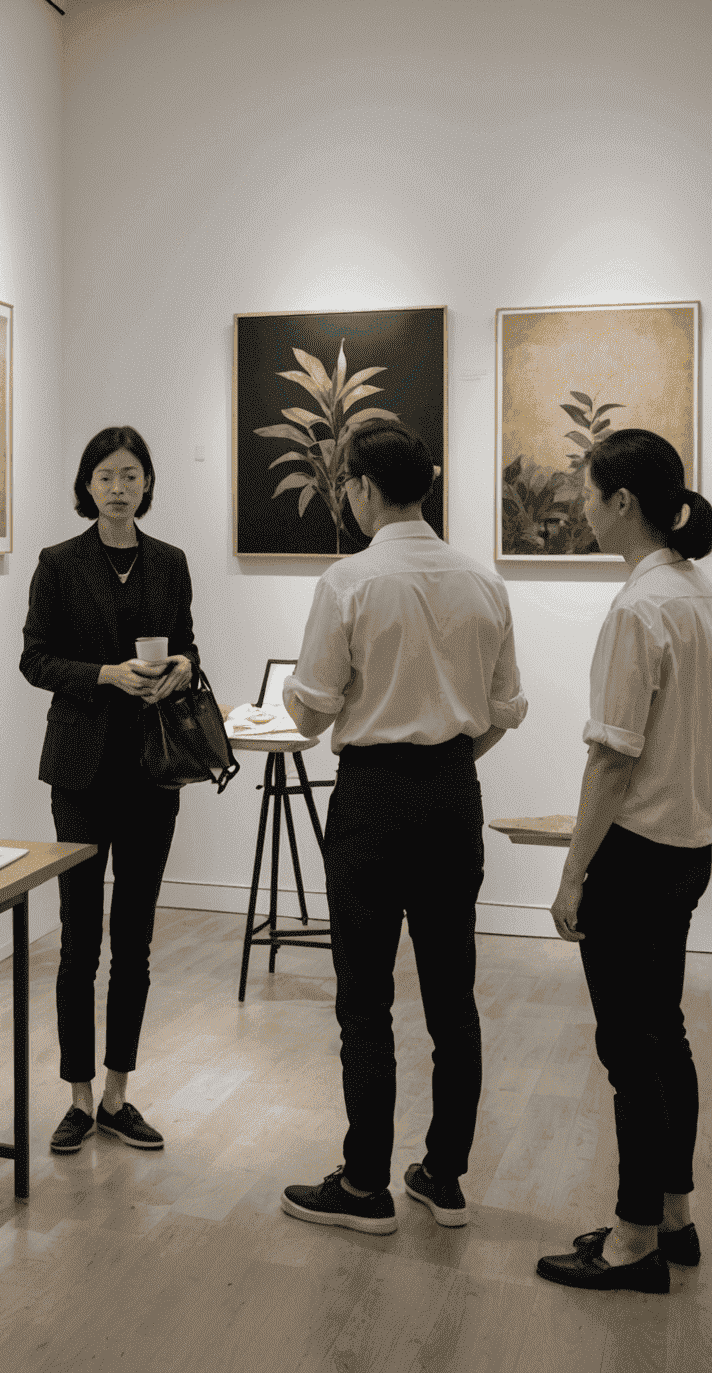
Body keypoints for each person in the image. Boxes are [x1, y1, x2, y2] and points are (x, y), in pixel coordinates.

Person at [278, 423, 527, 1234]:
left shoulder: (350, 580)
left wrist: (312, 709)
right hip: (454, 795)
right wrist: (450, 750)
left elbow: (311, 711)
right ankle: (444, 1177)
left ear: (359, 487)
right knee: (454, 999)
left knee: (365, 1001)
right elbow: (502, 712)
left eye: (347, 484)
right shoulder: (482, 580)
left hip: (374, 801)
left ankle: (362, 1187)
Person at [535, 431, 712, 1294]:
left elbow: (611, 759)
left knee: (629, 1052)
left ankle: (633, 1238)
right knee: (664, 1035)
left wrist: (574, 874)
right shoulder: (693, 591)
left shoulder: (641, 609)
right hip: (689, 848)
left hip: (637, 856)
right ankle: (674, 1216)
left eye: (587, 493)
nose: (580, 507)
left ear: (624, 504)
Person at [20, 426, 197, 1155]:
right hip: (82, 772)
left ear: (147, 484)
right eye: (105, 476)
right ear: (86, 487)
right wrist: (104, 675)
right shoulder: (58, 564)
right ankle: (77, 1095)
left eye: (130, 475)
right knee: (78, 942)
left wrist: (182, 667)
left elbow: (189, 643)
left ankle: (120, 1092)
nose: (118, 487)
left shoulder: (172, 563)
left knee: (136, 942)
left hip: (154, 770)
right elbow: (34, 659)